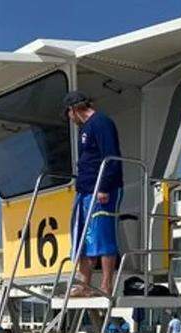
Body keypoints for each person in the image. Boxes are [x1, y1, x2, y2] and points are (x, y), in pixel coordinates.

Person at [64, 90, 123, 298]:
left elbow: (111, 155)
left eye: (68, 114)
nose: (69, 119)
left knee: (102, 235)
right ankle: (84, 283)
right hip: (85, 189)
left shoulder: (101, 123)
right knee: (82, 237)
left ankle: (106, 285)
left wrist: (104, 186)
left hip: (102, 189)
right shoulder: (85, 129)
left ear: (73, 110)